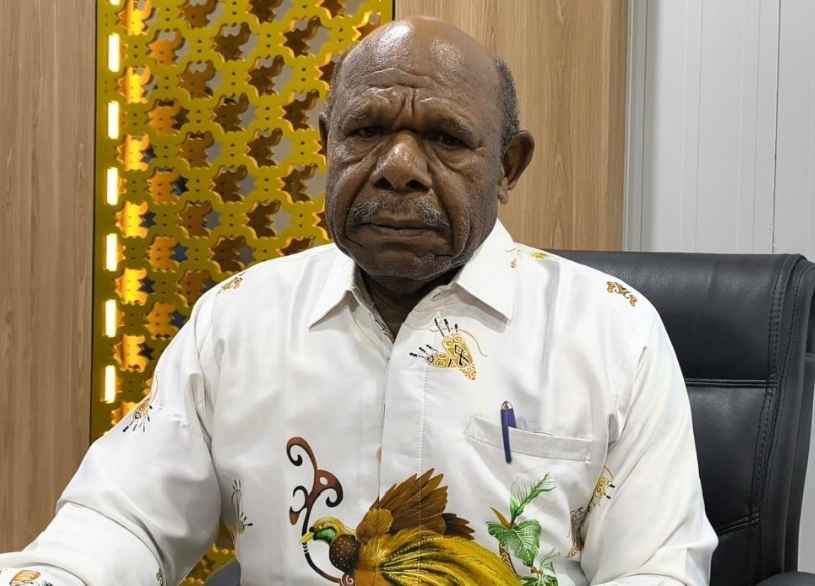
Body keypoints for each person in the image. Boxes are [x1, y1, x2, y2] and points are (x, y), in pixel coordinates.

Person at [0, 16, 716, 586]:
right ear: (326, 144)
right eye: (367, 132)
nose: (399, 168)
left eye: (445, 139)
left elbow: (655, 569)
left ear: (508, 165)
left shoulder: (613, 332)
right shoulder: (239, 319)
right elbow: (123, 519)